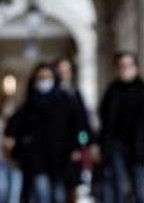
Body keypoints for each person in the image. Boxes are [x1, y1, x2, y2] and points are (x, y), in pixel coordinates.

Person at [4, 63, 80, 203]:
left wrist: (78, 147)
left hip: (61, 159)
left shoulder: (66, 101)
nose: (44, 80)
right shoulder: (29, 104)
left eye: (47, 77)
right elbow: (13, 129)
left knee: (59, 196)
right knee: (42, 193)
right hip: (36, 160)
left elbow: (79, 128)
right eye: (40, 77)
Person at [96, 52, 144, 203]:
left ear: (136, 68)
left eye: (128, 65)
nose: (125, 69)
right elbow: (104, 119)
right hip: (116, 145)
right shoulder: (112, 91)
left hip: (139, 145)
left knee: (139, 186)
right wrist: (101, 144)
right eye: (122, 66)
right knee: (120, 185)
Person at [54, 57, 94, 200]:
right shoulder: (52, 96)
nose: (64, 74)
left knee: (74, 187)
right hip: (57, 152)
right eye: (61, 71)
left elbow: (82, 124)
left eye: (67, 70)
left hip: (74, 151)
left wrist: (82, 145)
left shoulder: (75, 93)